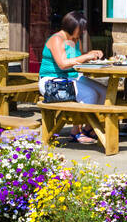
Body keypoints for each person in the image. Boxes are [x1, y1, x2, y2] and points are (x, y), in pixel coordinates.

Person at [39, 12, 106, 144]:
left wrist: (91, 54)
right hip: (52, 82)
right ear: (72, 27)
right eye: (80, 28)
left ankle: (89, 128)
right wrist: (85, 57)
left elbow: (77, 59)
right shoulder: (57, 39)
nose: (83, 31)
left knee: (105, 92)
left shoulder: (75, 40)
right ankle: (76, 131)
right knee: (90, 94)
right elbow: (63, 63)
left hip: (72, 78)